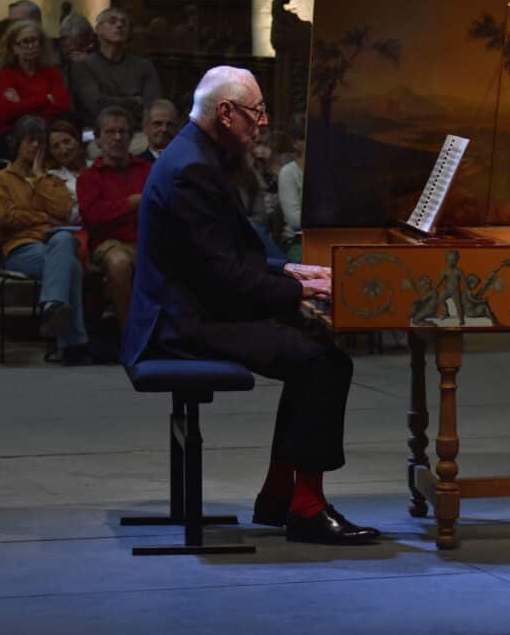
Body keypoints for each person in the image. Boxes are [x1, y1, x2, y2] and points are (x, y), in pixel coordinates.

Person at [122, 66, 378, 545]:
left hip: (194, 304)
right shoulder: (192, 170)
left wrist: (290, 271)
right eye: (255, 113)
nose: (261, 123)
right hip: (181, 322)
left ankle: (280, 496)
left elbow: (236, 250)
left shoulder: (198, 153)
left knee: (314, 351)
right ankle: (305, 507)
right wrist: (303, 290)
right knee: (324, 364)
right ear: (225, 112)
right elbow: (224, 278)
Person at [0, 116, 91, 365]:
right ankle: (73, 344)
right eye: (29, 141)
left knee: (64, 238)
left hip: (54, 241)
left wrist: (39, 177)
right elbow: (6, 218)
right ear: (17, 144)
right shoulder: (0, 179)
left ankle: (53, 305)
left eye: (39, 142)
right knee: (71, 266)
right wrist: (44, 218)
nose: (35, 147)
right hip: (20, 247)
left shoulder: (51, 180)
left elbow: (64, 210)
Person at [77, 106, 151, 334]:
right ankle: (129, 334)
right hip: (109, 243)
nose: (117, 137)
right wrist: (131, 204)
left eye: (123, 132)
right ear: (97, 139)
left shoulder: (147, 169)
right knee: (119, 262)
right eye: (110, 132)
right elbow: (94, 217)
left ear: (131, 137)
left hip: (148, 241)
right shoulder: (88, 177)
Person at [69, 8, 160, 129]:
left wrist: (108, 99)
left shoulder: (144, 66)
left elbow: (152, 106)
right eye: (112, 21)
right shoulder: (83, 66)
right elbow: (96, 105)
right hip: (98, 132)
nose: (119, 25)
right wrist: (135, 101)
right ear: (98, 29)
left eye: (124, 22)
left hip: (137, 131)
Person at [0, 20, 71, 153]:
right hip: (16, 134)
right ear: (14, 48)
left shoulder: (52, 72)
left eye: (34, 41)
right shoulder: (7, 74)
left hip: (49, 131)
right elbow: (5, 113)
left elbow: (63, 106)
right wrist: (45, 100)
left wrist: (21, 103)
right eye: (25, 42)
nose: (31, 46)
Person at [47, 119, 87, 224]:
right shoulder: (52, 177)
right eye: (56, 146)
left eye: (67, 141)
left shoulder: (97, 166)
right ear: (51, 153)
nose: (64, 150)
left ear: (77, 140)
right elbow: (68, 216)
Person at [277, 131, 304, 262]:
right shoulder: (288, 172)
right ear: (296, 143)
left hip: (326, 237)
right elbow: (295, 221)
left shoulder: (328, 171)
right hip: (297, 240)